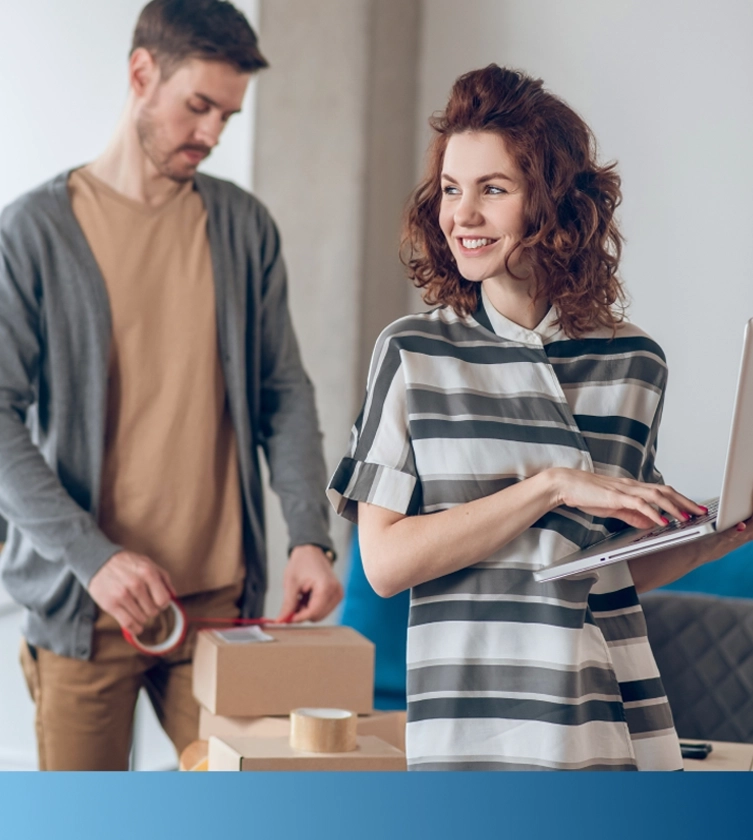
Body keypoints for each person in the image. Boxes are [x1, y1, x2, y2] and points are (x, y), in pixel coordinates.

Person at [327, 64, 753, 771]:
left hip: (608, 722)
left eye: (492, 190)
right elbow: (385, 564)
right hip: (471, 729)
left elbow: (606, 567)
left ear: (553, 203)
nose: (461, 215)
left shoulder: (634, 362)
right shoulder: (412, 353)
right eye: (452, 190)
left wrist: (723, 533)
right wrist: (549, 487)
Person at [0, 0, 342, 771]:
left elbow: (282, 391)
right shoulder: (31, 236)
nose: (212, 135)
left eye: (227, 115)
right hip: (89, 610)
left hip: (225, 608)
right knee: (81, 830)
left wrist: (309, 536)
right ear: (140, 74)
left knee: (240, 819)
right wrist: (94, 557)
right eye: (199, 106)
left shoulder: (242, 226)